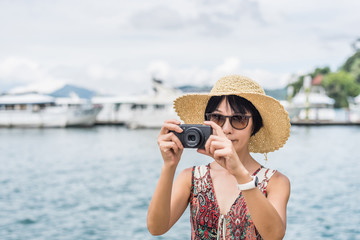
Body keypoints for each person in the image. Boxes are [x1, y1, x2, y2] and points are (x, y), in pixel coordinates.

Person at [147, 75, 291, 239]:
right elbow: (156, 228)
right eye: (218, 118)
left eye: (239, 119)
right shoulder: (191, 178)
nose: (226, 129)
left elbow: (274, 236)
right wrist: (169, 166)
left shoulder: (275, 182)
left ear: (255, 126)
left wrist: (240, 173)